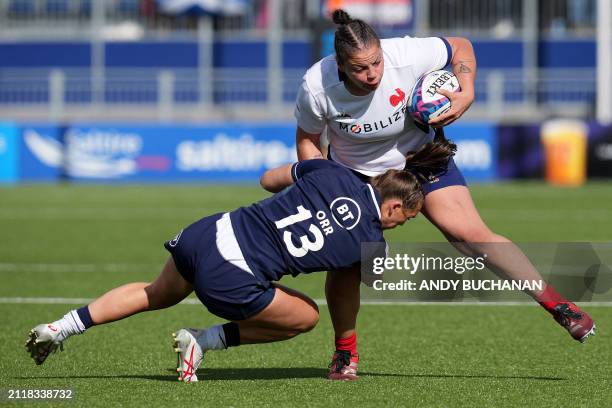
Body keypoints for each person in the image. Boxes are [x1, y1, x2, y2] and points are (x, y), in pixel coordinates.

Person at [287, 8, 596, 381]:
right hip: (356, 175)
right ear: (339, 63)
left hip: (419, 157)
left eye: (376, 63)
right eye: (359, 68)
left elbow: (461, 48)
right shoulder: (316, 86)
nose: (372, 75)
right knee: (349, 264)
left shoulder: (405, 54)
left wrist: (465, 92)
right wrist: (324, 184)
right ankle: (345, 353)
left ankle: (559, 305)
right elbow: (307, 141)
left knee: (471, 236)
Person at [25, 151, 440, 382]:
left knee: (155, 293)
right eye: (407, 218)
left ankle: (61, 328)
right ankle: (202, 341)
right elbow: (367, 279)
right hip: (233, 273)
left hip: (209, 231)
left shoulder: (332, 171)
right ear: (394, 205)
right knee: (306, 317)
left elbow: (267, 179)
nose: (402, 224)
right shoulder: (371, 243)